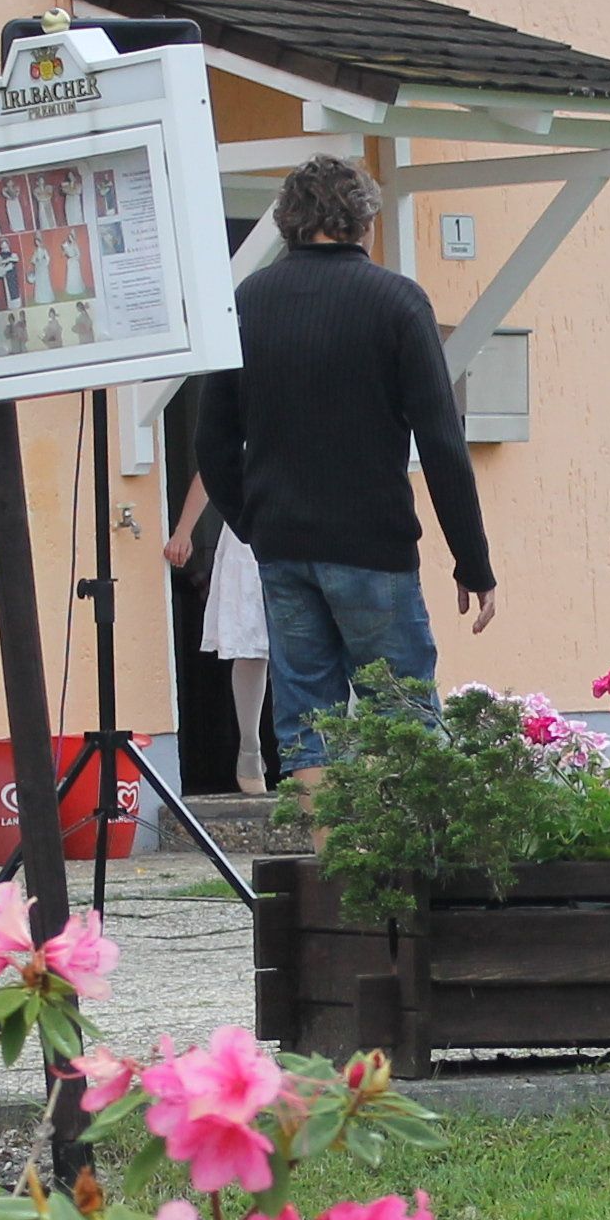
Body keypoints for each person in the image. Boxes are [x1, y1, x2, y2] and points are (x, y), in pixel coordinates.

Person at [193, 158, 493, 776]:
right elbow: (442, 443)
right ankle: (403, 842)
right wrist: (472, 559)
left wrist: (254, 525)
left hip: (284, 547)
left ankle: (323, 838)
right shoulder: (398, 302)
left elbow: (212, 440)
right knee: (404, 719)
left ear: (288, 220)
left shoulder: (247, 301)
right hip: (372, 546)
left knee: (308, 723)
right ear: (365, 220)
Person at [161, 371, 271, 795]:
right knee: (250, 644)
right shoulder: (245, 405)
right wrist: (183, 531)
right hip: (249, 532)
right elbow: (212, 468)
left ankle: (320, 754)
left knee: (314, 646)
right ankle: (250, 748)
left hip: (306, 528)